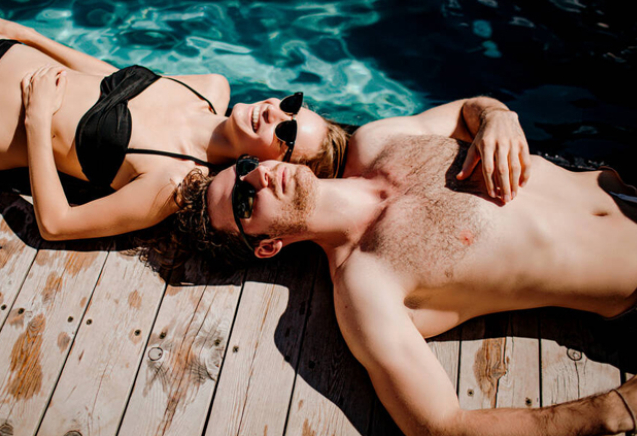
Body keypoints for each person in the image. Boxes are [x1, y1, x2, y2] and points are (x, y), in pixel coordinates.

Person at [172, 98, 637, 436]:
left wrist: (498, 117)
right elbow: (440, 426)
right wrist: (614, 410)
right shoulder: (364, 286)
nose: (259, 174)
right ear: (268, 246)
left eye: (246, 165)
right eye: (245, 199)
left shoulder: (376, 139)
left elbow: (468, 110)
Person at [0, 0, 347, 241]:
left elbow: (57, 225)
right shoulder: (212, 87)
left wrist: (37, 123)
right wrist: (33, 37)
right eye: (291, 105)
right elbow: (111, 80)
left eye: (285, 131)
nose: (274, 111)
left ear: (272, 165)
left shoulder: (172, 182)